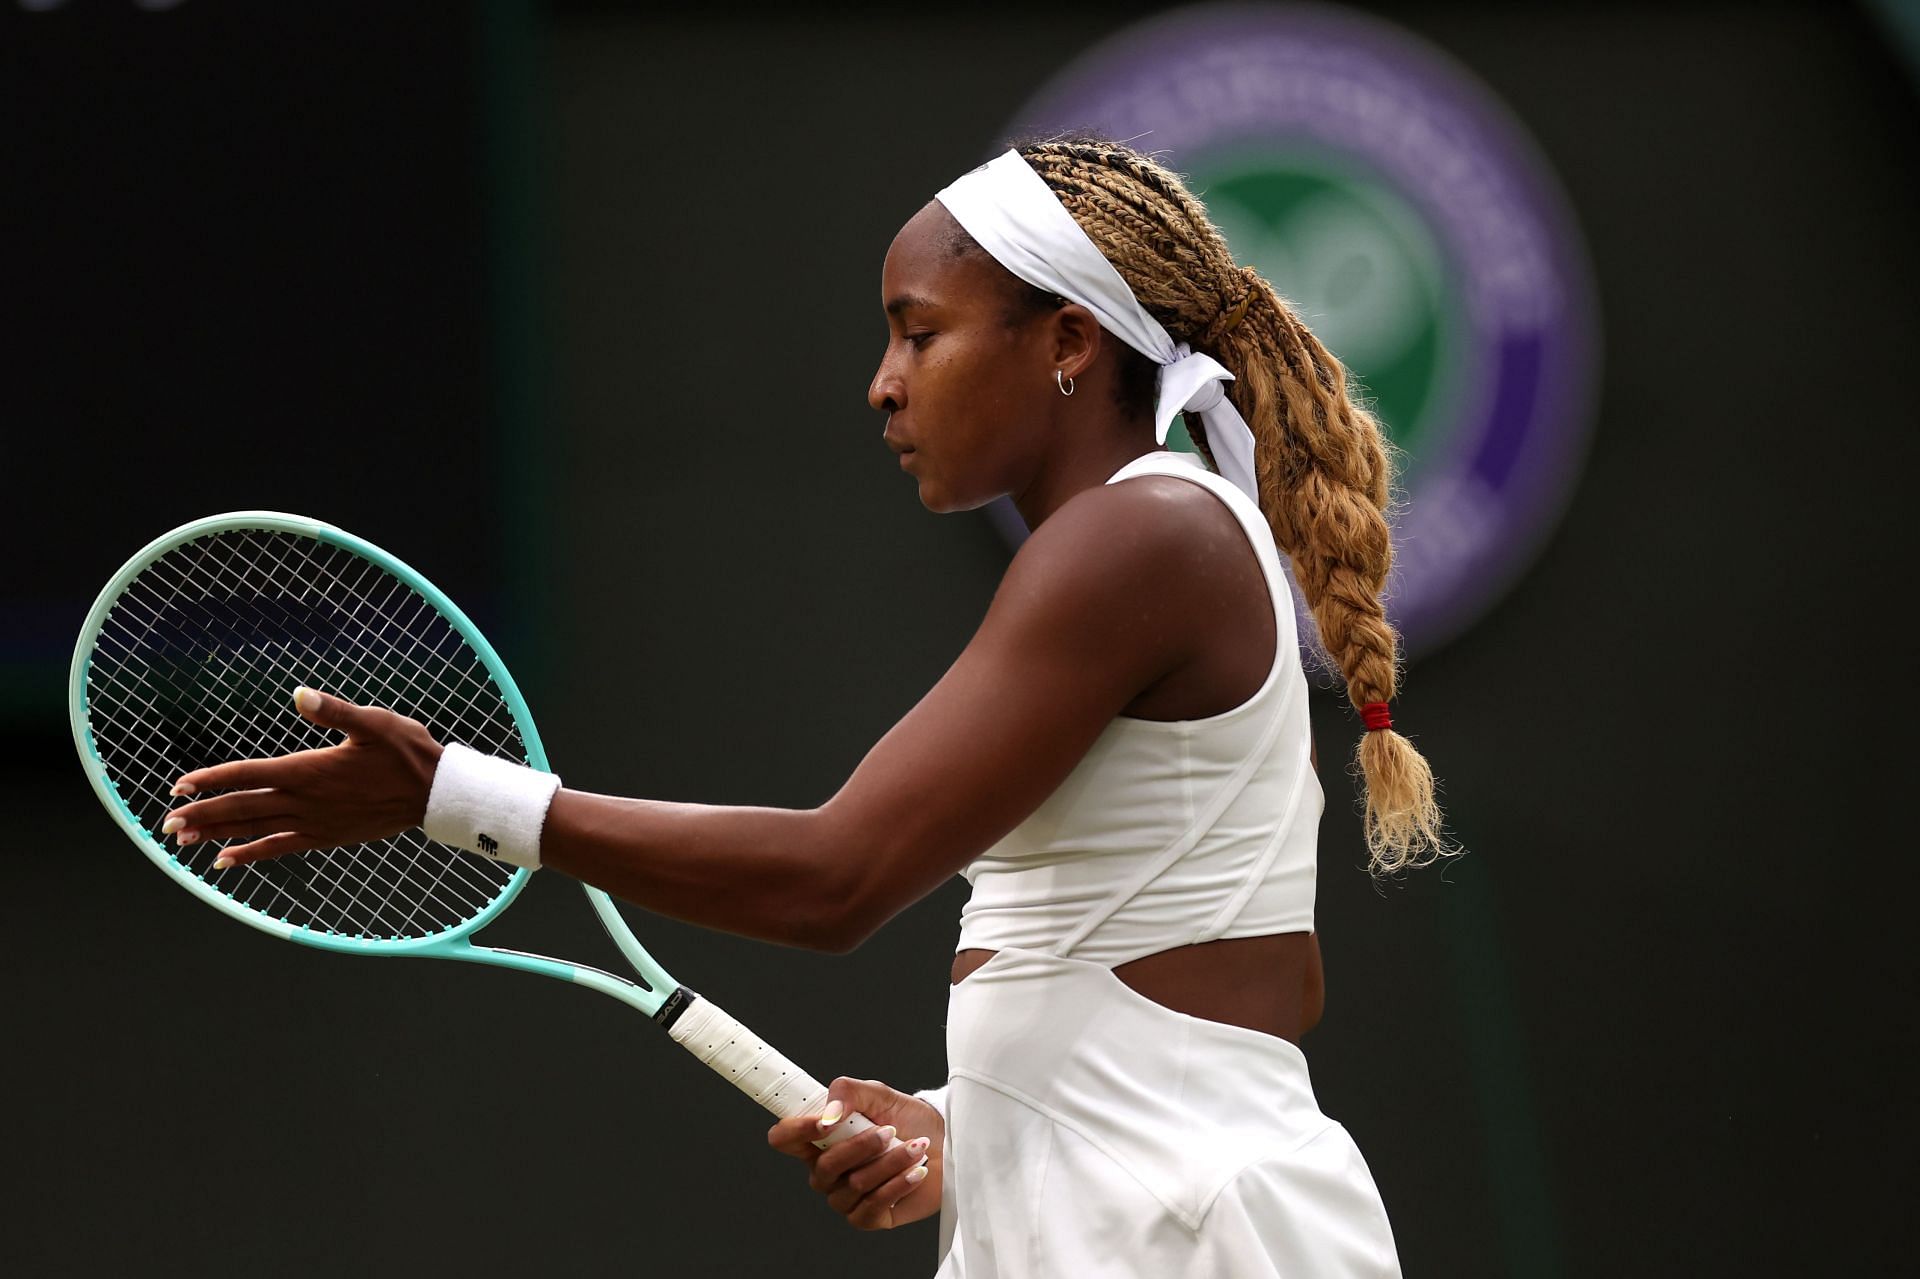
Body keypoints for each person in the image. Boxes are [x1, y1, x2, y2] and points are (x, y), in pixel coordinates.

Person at [162, 139, 1445, 1276]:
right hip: (1109, 1210)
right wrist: (964, 1128)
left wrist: (452, 796)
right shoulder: (1150, 535)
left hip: (1183, 1228)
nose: (883, 383)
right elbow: (1172, 975)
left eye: (920, 331)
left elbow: (836, 878)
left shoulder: (1141, 537)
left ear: (1067, 340)